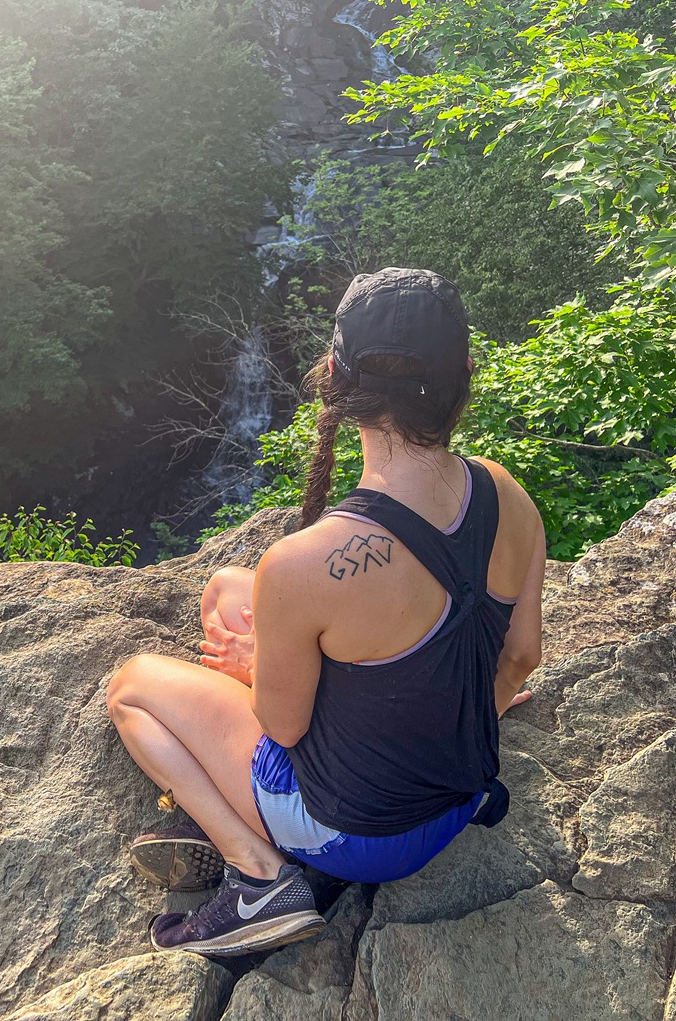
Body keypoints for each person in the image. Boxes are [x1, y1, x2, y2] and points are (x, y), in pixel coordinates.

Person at [106, 267, 545, 958]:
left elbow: (285, 726)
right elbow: (520, 657)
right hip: (464, 791)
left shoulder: (308, 563)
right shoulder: (504, 491)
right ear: (463, 372)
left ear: (334, 375)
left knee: (131, 684)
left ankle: (259, 878)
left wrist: (259, 664)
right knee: (225, 587)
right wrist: (455, 709)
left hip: (359, 838)